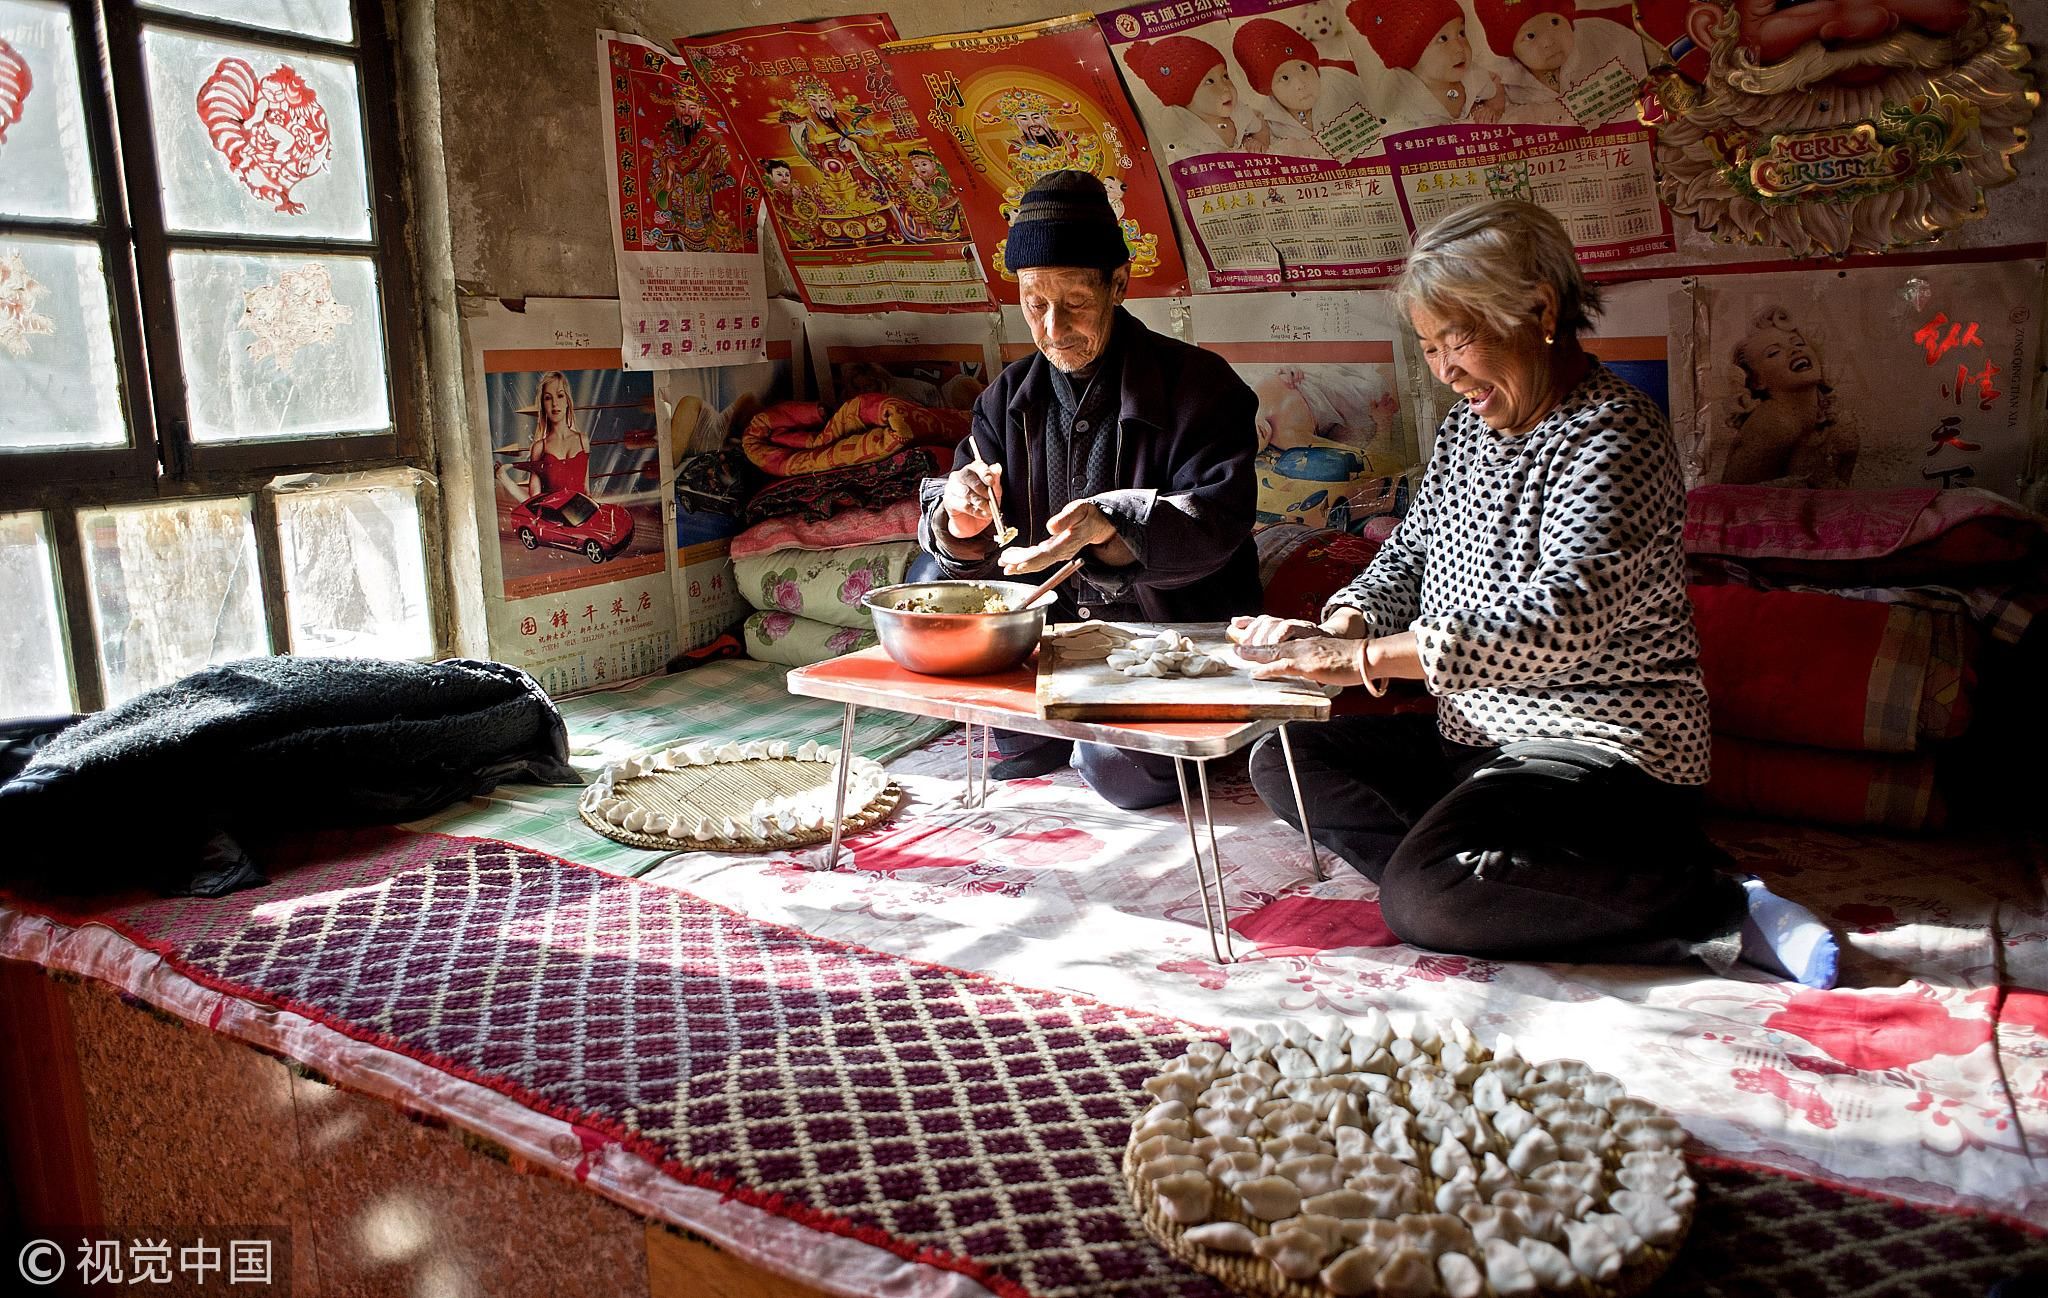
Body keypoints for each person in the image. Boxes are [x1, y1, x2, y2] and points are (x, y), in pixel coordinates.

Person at [1229, 200, 1839, 989]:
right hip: (1477, 745)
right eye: (1429, 347)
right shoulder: (1466, 430)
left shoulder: (1615, 434)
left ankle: (1713, 905)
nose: (1445, 370)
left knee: (1423, 901)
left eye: (1458, 340)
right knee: (1282, 753)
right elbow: (1409, 551)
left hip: (1605, 752)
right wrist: (1345, 622)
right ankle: (1511, 873)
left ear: (1540, 311)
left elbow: (1559, 622)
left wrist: (1366, 659)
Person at [916, 170, 1262, 809]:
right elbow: (974, 522)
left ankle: (1120, 740)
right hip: (1051, 632)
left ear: (1119, 285)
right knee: (1012, 739)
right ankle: (1056, 729)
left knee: (1117, 770)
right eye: (1033, 304)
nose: (1051, 327)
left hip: (1164, 637)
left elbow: (1220, 520)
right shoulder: (1007, 397)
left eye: (1074, 302)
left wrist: (1113, 521)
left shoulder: (1200, 387)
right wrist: (959, 520)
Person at [1717, 307, 1859, 488]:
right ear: (1757, 381)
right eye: (1774, 352)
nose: (1793, 350)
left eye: (1798, 343)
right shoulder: (1773, 423)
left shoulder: (1836, 425)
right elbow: (1732, 501)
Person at [1349, 0, 1505, 125]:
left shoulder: (1470, 76)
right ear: (1411, 55)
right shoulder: (1402, 94)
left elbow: (1494, 82)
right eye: (1442, 39)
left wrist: (1492, 108)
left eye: (1461, 33)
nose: (1459, 47)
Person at [1124, 35, 1274, 155]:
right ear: (1185, 97)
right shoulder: (1182, 128)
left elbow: (1260, 127)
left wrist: (1254, 143)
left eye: (1225, 76)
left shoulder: (1238, 112)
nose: (1225, 87)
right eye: (1209, 81)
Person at [498, 371, 590, 502]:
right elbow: (532, 502)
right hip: (552, 520)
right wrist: (503, 477)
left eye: (560, 396)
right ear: (543, 404)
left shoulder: (583, 441)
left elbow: (587, 491)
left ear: (568, 401)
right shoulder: (539, 448)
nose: (554, 404)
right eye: (548, 398)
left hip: (581, 519)